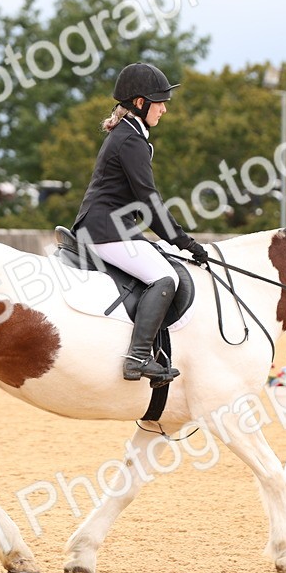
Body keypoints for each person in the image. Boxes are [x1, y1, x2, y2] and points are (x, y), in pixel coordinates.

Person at [71, 63, 209, 387]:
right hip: (105, 229)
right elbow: (149, 201)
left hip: (110, 226)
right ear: (139, 103)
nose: (164, 108)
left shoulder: (131, 134)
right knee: (165, 276)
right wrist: (184, 242)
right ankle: (137, 356)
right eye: (158, 101)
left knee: (160, 261)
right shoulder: (129, 140)